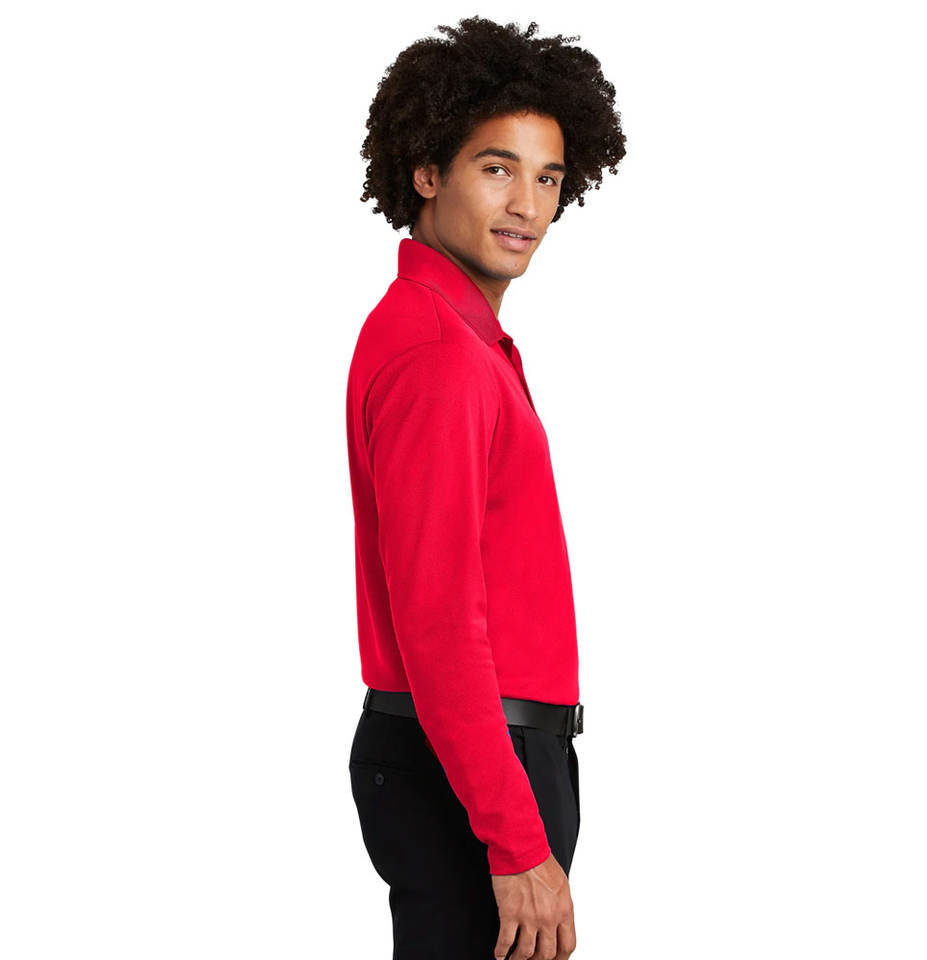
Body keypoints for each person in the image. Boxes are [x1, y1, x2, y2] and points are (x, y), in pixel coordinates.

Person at [344, 16, 626, 959]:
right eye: (497, 168)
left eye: (548, 178)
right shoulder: (439, 354)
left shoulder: (452, 335)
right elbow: (436, 619)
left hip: (471, 757)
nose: (527, 206)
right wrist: (515, 839)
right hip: (472, 764)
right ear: (427, 171)